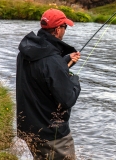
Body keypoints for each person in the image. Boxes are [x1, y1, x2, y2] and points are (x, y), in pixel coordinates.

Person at [16, 8, 81, 159]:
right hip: (52, 135)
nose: (65, 31)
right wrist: (75, 80)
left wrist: (65, 62)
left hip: (29, 128)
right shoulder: (52, 60)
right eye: (65, 27)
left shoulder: (26, 51)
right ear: (58, 29)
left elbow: (40, 73)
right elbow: (67, 99)